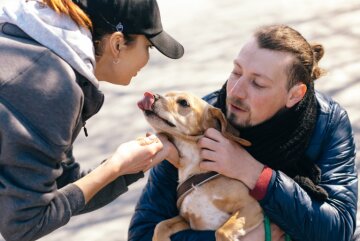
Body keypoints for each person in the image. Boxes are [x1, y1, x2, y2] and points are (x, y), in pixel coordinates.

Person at [128, 24, 358, 241]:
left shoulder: (327, 123)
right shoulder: (197, 121)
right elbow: (143, 232)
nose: (235, 92)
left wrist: (255, 174)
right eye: (236, 72)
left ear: (295, 94)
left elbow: (338, 231)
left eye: (257, 84)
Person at [0, 0, 182, 240]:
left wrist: (129, 167)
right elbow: (25, 223)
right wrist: (115, 166)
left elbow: (62, 185)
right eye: (148, 46)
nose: (147, 59)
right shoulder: (50, 84)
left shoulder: (33, 46)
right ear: (117, 43)